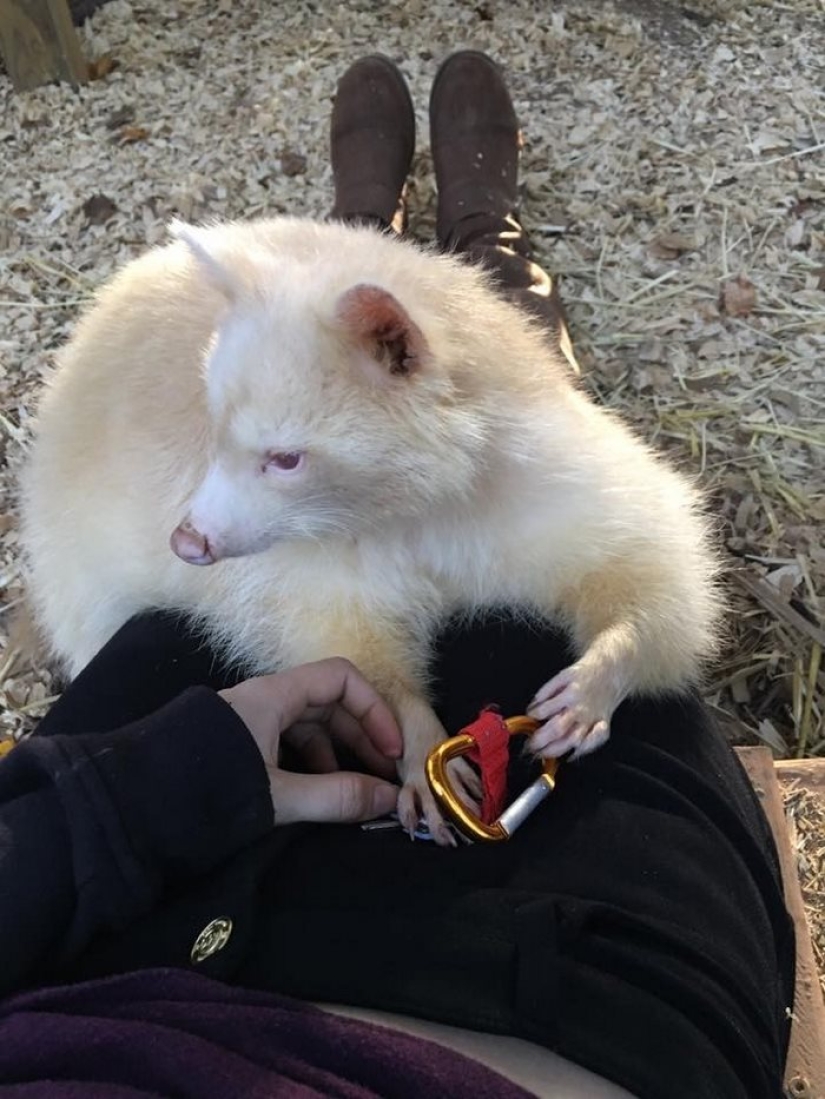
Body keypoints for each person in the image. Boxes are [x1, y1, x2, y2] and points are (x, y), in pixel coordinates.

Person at [0, 53, 794, 1099]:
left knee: (489, 442)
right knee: (557, 630)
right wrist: (426, 708)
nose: (204, 526)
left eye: (278, 457)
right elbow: (654, 595)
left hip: (126, 898)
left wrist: (118, 809)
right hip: (577, 979)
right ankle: (476, 268)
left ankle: (396, 260)